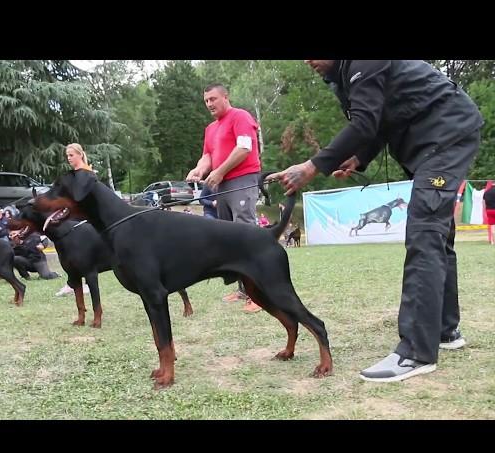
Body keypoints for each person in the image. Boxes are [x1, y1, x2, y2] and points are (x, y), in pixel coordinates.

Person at [267, 60, 483, 382]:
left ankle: (416, 352)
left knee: (424, 233)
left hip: (446, 136)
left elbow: (366, 123)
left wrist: (312, 166)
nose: (307, 60)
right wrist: (359, 157)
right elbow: (379, 122)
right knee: (438, 237)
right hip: (432, 142)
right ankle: (443, 330)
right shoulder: (344, 75)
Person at [186, 83, 262, 313]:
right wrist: (200, 170)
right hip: (222, 184)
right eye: (206, 100)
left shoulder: (240, 116)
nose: (209, 103)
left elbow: (244, 148)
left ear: (225, 97)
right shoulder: (211, 128)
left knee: (246, 235)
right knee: (230, 239)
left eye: (213, 99)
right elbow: (207, 155)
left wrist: (219, 172)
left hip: (242, 179)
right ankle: (243, 289)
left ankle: (259, 294)